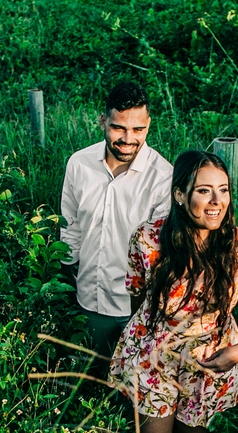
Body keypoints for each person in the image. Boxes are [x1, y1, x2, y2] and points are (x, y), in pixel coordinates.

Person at [110, 150, 238, 433]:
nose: (216, 201)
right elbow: (137, 298)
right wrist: (143, 342)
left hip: (208, 362)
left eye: (223, 190)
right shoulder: (148, 240)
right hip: (155, 359)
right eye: (203, 190)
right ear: (180, 195)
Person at [60, 82, 173, 375]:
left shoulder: (163, 177)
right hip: (87, 299)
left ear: (149, 125)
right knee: (89, 382)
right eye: (118, 128)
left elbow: (161, 251)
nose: (128, 139)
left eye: (138, 130)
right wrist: (67, 278)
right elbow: (70, 227)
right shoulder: (79, 164)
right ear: (103, 121)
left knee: (133, 389)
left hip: (137, 310)